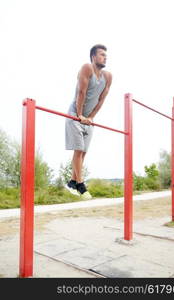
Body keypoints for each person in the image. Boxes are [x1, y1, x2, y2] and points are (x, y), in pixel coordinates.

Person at [65, 44, 112, 199]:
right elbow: (81, 92)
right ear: (93, 56)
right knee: (78, 150)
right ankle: (81, 184)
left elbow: (101, 100)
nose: (105, 57)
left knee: (83, 153)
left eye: (106, 55)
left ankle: (72, 181)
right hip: (75, 114)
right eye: (101, 54)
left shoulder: (108, 77)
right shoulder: (87, 68)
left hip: (88, 119)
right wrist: (79, 115)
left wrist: (90, 117)